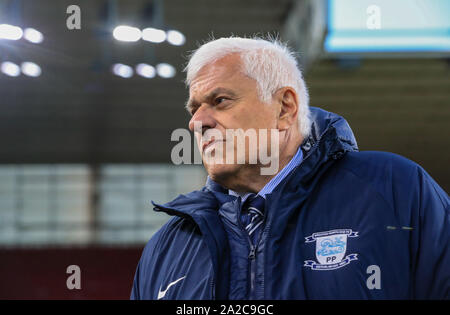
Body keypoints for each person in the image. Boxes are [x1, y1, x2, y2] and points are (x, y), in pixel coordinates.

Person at [131, 37, 449, 299]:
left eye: (220, 101)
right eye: (194, 108)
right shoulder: (167, 247)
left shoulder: (396, 192)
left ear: (285, 108)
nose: (197, 122)